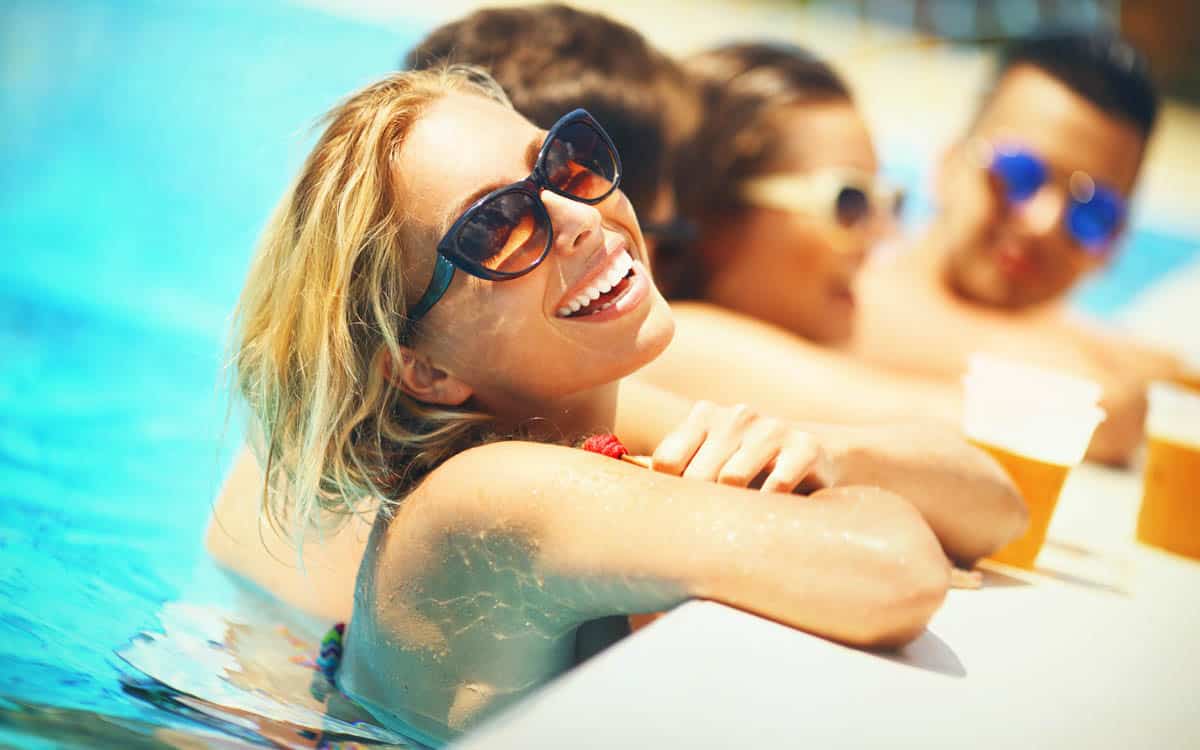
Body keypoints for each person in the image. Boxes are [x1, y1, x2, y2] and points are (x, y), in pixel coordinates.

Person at [212, 66, 980, 743]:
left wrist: (833, 455)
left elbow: (991, 500)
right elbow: (895, 575)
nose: (578, 216)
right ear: (424, 370)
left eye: (564, 164)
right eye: (498, 225)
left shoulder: (582, 430)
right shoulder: (488, 495)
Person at [853, 30, 1184, 464]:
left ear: (1113, 243)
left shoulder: (1090, 343)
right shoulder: (844, 286)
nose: (1043, 223)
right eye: (1020, 174)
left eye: (1092, 212)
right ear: (948, 165)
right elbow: (1106, 401)